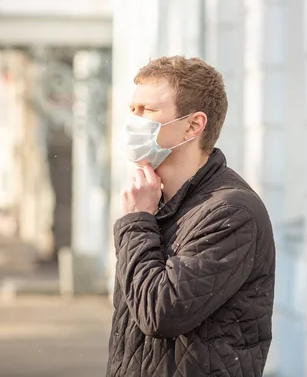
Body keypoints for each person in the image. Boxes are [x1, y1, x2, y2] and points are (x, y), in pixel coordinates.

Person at [107, 56, 276, 377]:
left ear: (194, 125)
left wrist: (136, 223)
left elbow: (160, 314)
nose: (134, 121)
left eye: (148, 111)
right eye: (133, 110)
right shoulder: (158, 201)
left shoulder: (230, 212)